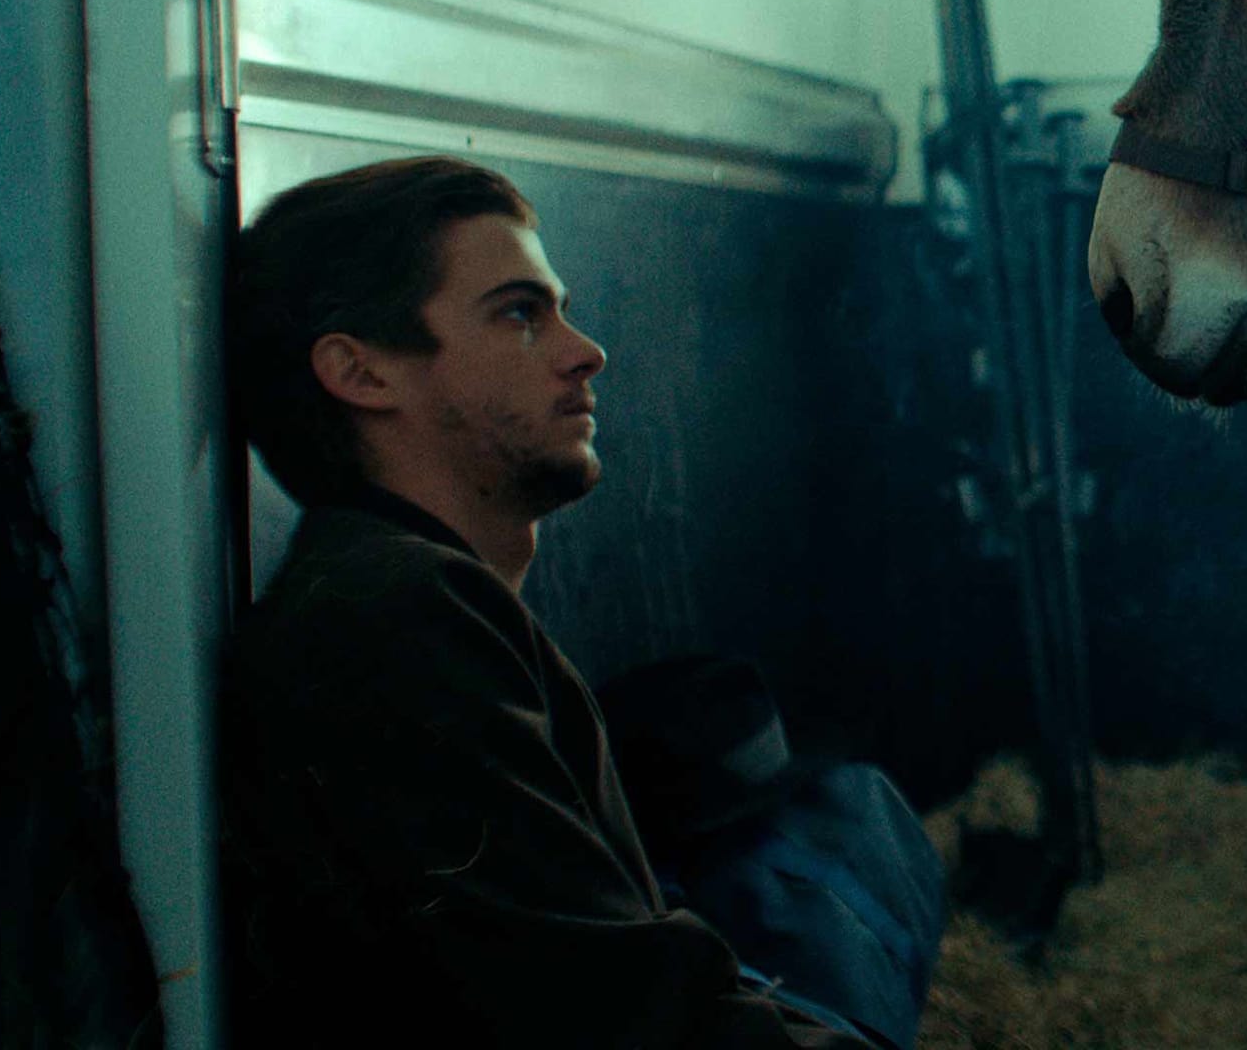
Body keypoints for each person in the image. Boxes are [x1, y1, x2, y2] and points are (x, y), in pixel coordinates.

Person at [218, 155, 880, 1048]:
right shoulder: (397, 616)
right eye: (520, 314)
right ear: (363, 374)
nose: (585, 351)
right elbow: (625, 1020)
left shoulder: (399, 590)